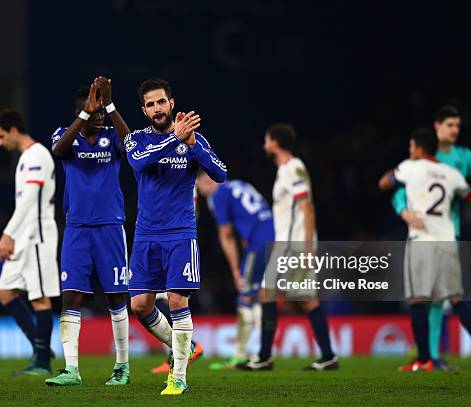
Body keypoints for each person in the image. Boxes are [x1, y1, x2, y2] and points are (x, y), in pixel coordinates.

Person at [125, 78, 227, 395]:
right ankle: (186, 345)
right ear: (143, 110)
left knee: (176, 300)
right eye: (150, 104)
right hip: (145, 234)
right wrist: (175, 140)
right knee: (139, 305)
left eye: (161, 102)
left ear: (171, 103)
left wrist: (193, 144)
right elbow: (140, 162)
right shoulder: (135, 140)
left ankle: (178, 376)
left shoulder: (193, 139)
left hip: (181, 233)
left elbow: (221, 174)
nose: (156, 108)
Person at [391, 106, 471, 370]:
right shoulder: (425, 155)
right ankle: (437, 354)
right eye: (450, 125)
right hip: (436, 233)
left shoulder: (463, 158)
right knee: (445, 297)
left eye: (457, 126)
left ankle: (429, 356)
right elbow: (399, 193)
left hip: (445, 231)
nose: (454, 130)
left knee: (433, 298)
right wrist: (403, 211)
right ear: (437, 126)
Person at [45, 77, 132, 386]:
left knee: (116, 296)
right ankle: (72, 370)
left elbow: (133, 146)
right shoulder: (65, 135)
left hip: (110, 226)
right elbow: (57, 150)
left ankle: (122, 366)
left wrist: (110, 105)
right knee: (71, 296)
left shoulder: (113, 134)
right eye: (90, 112)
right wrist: (85, 114)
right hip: (77, 229)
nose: (96, 117)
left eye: (99, 113)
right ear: (78, 111)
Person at [239, 123, 337, 371]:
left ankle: (270, 357)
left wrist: (307, 249)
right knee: (282, 295)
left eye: (266, 140)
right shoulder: (286, 170)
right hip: (285, 243)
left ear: (274, 142)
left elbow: (307, 207)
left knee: (295, 297)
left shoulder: (293, 168)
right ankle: (268, 357)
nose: (264, 145)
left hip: (294, 245)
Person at [0, 109, 60, 375]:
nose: (0, 143)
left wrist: (7, 234)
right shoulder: (25, 158)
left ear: (14, 130)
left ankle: (42, 361)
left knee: (39, 298)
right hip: (23, 236)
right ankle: (40, 347)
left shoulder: (37, 155)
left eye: (1, 136)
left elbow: (31, 198)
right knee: (4, 292)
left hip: (38, 235)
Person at [197, 174, 272, 369]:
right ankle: (262, 353)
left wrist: (235, 270)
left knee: (245, 297)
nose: (202, 194)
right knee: (257, 296)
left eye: (200, 188)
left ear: (207, 181)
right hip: (273, 236)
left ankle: (242, 354)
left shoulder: (218, 194)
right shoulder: (240, 184)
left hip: (259, 242)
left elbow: (226, 234)